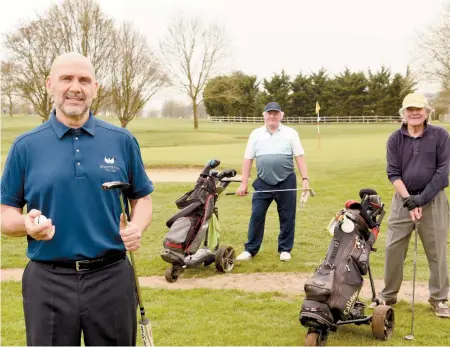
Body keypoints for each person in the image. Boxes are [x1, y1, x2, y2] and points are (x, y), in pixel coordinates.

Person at [0, 52, 154, 345]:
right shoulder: (25, 146)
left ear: (95, 87)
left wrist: (138, 226)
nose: (75, 87)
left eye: (84, 80)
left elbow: (142, 199)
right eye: (66, 78)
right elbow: (4, 214)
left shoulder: (122, 140)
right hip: (48, 281)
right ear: (49, 84)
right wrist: (25, 223)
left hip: (111, 276)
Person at [373, 92, 450, 318]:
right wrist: (409, 200)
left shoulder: (440, 135)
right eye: (410, 109)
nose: (414, 113)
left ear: (427, 111)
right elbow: (393, 173)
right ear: (403, 113)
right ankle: (389, 296)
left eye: (419, 109)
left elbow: (443, 171)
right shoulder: (395, 139)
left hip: (433, 200)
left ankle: (439, 299)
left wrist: (421, 199)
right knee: (393, 249)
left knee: (437, 251)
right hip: (402, 200)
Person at [235, 101, 310, 262]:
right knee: (256, 215)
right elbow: (248, 159)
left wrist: (305, 179)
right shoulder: (255, 134)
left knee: (287, 216)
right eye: (270, 113)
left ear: (281, 115)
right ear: (264, 116)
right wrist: (244, 183)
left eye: (276, 113)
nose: (272, 116)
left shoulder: (291, 133)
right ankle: (250, 249)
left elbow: (299, 157)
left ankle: (285, 249)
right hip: (262, 181)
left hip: (286, 180)